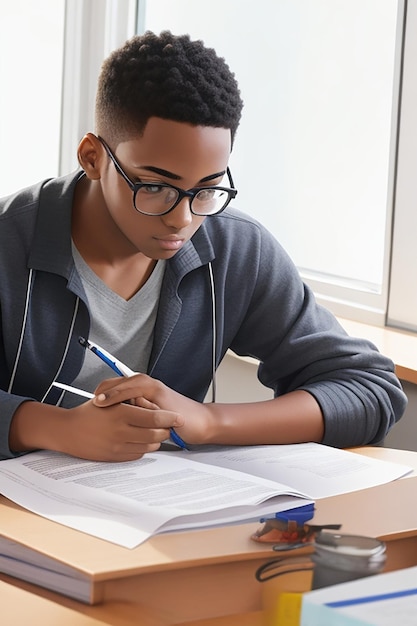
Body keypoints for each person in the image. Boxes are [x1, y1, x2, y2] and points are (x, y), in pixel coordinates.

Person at [0, 31, 407, 462]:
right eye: (156, 186)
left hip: (158, 513)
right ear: (92, 157)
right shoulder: (10, 240)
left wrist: (209, 421)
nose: (183, 218)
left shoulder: (236, 248)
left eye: (207, 189)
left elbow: (368, 388)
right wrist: (54, 427)